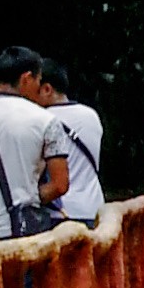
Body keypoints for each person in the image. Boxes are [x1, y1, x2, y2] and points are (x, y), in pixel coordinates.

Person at [36, 61, 102, 226]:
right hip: (93, 209)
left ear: (47, 89)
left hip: (59, 214)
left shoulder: (42, 120)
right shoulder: (91, 115)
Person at [0, 49, 55, 237]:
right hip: (17, 231)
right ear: (26, 78)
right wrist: (28, 197)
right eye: (38, 80)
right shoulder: (45, 120)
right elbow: (60, 184)